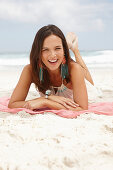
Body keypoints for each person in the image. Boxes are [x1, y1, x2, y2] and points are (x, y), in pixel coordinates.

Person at [8, 24, 94, 111]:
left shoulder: (74, 69)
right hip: (62, 59)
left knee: (79, 69)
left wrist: (46, 102)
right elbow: (13, 104)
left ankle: (74, 49)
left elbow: (82, 108)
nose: (52, 55)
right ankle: (64, 45)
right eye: (45, 49)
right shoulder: (30, 70)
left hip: (87, 88)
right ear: (38, 52)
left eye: (57, 48)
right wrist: (46, 98)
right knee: (57, 57)